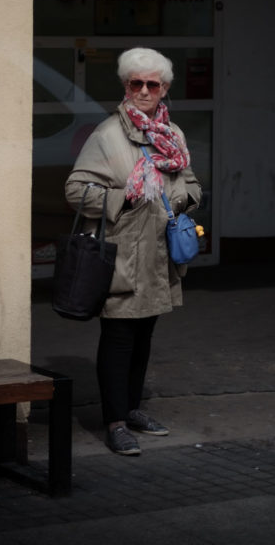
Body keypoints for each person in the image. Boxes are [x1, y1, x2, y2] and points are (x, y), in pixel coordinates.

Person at [64, 47, 202, 456]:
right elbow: (75, 189)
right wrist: (126, 197)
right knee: (119, 337)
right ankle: (115, 421)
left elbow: (191, 184)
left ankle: (133, 407)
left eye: (152, 84)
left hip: (159, 255)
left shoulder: (172, 135)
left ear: (164, 89)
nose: (143, 90)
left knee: (143, 336)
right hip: (122, 255)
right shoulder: (107, 135)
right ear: (126, 86)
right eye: (135, 83)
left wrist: (178, 202)